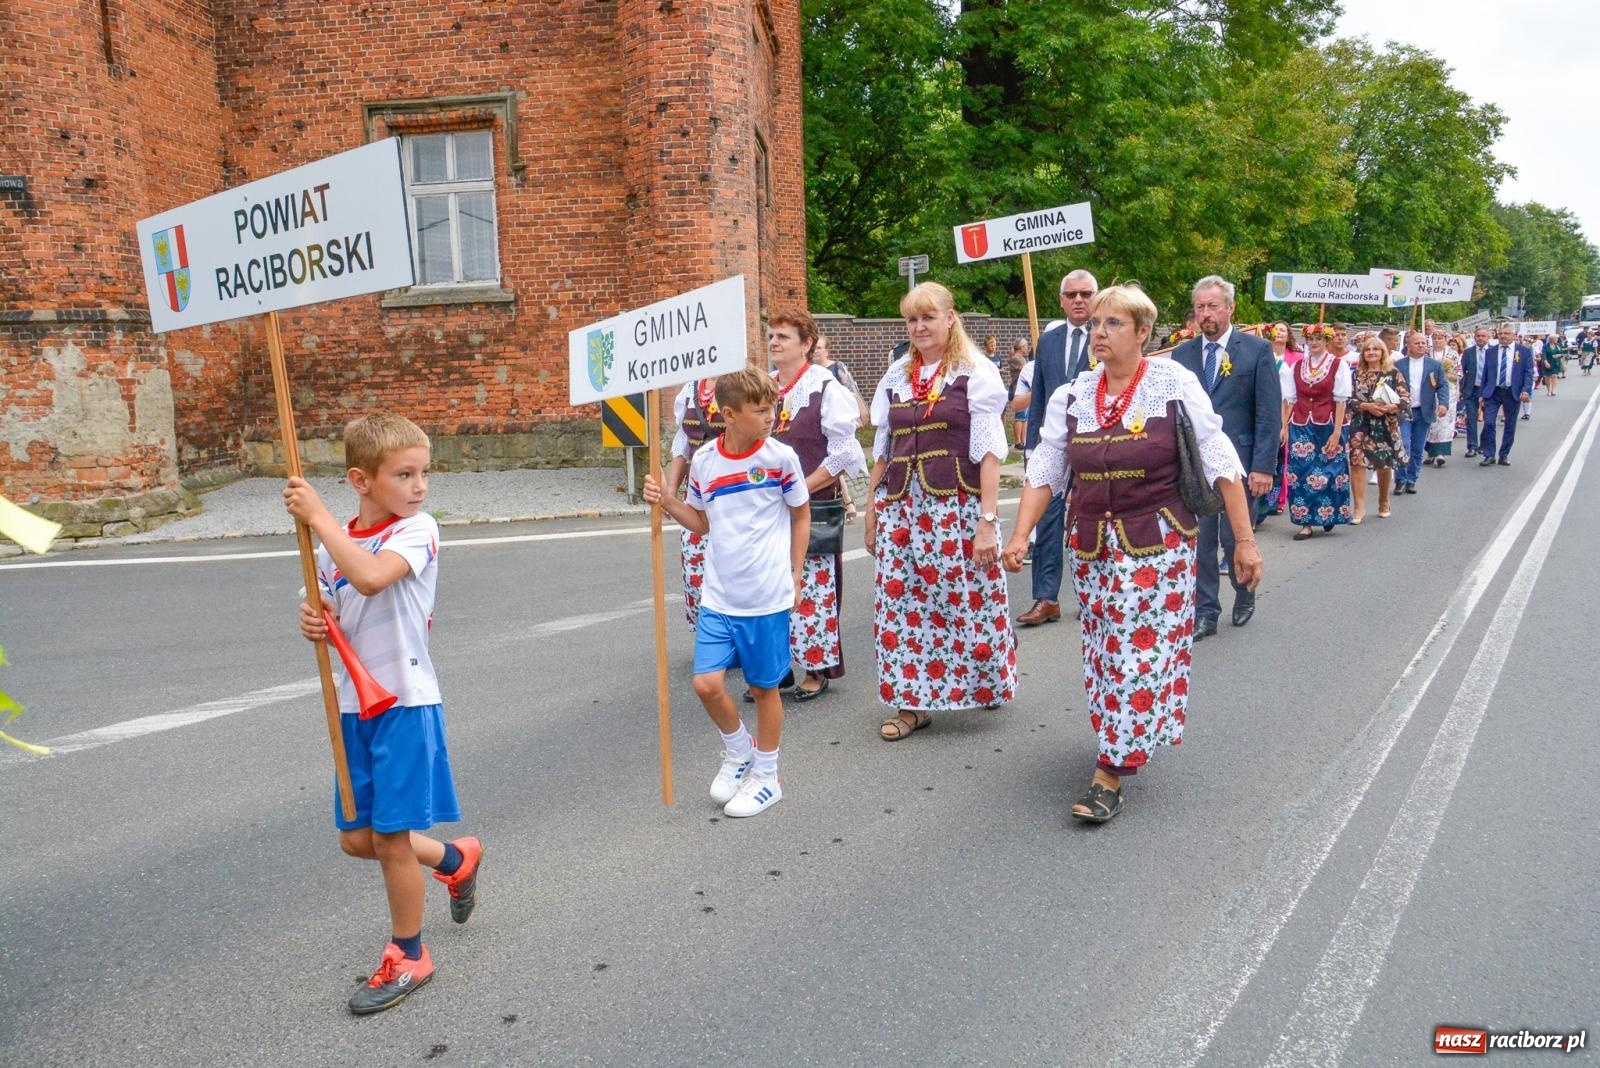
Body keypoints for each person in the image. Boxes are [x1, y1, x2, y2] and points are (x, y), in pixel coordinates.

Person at [1001, 284, 1261, 823]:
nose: (1099, 332)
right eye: (1095, 323)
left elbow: (1218, 456)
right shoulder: (1071, 395)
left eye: (1113, 323)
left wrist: (1246, 543)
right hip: (1093, 548)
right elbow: (1047, 467)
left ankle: (1110, 772)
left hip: (1158, 548)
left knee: (1135, 652)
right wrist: (1020, 534)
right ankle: (1123, 733)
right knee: (1103, 653)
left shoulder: (1172, 383)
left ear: (1143, 332)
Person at [282, 413, 482, 1016]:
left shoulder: (417, 530)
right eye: (404, 474)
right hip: (353, 705)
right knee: (356, 839)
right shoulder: (330, 546)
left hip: (404, 702)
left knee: (391, 839)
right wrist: (315, 622)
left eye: (424, 472)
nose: (420, 485)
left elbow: (368, 578)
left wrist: (317, 518)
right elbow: (331, 609)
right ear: (360, 480)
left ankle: (410, 954)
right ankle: (453, 859)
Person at [642, 366, 810, 818]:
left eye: (772, 406)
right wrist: (667, 500)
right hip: (719, 596)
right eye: (760, 410)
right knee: (706, 683)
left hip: (766, 596)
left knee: (762, 688)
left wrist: (795, 574)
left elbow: (800, 515)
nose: (771, 415)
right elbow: (702, 522)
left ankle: (768, 776)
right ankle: (740, 752)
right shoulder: (705, 463)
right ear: (729, 415)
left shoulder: (780, 459)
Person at [866, 281, 1016, 740]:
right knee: (900, 601)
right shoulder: (897, 375)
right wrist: (873, 511)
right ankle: (911, 702)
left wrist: (988, 524)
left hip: (956, 507)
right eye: (912, 319)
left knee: (965, 597)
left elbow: (990, 452)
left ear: (951, 318)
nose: (919, 327)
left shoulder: (976, 371)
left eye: (928, 317)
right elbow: (884, 448)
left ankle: (986, 676)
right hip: (901, 509)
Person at [1169, 275, 1280, 638]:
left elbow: (1267, 413)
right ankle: (1206, 611)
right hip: (1195, 464)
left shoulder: (1256, 351)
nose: (1206, 313)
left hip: (1240, 462)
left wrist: (1263, 466)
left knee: (1235, 536)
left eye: (1213, 306)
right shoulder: (1182, 355)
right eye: (1200, 307)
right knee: (1201, 540)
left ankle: (1244, 592)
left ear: (1230, 308)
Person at [767, 310, 867, 701]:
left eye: (783, 337)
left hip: (810, 504)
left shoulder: (825, 387)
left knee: (811, 589)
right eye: (771, 336)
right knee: (769, 587)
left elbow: (843, 452)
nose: (774, 342)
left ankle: (816, 667)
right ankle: (776, 666)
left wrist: (799, 489)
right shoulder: (766, 386)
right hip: (767, 506)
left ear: (806, 344)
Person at [1018, 269, 1098, 627]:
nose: (1078, 300)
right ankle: (1046, 598)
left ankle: (1094, 595)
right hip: (1052, 445)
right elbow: (1039, 396)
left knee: (1091, 520)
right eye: (1071, 294)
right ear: (1061, 300)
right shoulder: (1048, 341)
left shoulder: (1107, 334)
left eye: (1085, 293)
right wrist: (1032, 446)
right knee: (1048, 521)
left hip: (1095, 445)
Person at [1280, 323, 1352, 537]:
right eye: (1311, 339)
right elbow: (1290, 399)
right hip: (1301, 423)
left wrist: (1337, 432)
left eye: (1319, 339)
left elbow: (1341, 401)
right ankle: (1306, 523)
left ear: (1326, 341)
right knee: (1300, 471)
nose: (1314, 343)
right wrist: (1283, 426)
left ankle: (1328, 515)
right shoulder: (1297, 366)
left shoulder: (1339, 365)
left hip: (1328, 423)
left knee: (1330, 471)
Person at [667, 378, 727, 630]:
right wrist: (670, 492)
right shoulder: (691, 389)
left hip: (730, 495)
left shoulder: (737, 382)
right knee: (696, 572)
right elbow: (684, 444)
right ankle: (709, 634)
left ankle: (733, 636)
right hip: (695, 498)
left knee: (729, 573)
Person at [1346, 335, 1409, 521]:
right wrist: (1367, 406)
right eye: (1368, 350)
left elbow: (1405, 399)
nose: (1371, 353)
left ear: (1383, 352)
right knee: (1357, 463)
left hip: (1385, 424)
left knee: (1383, 464)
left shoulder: (1393, 373)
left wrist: (1390, 407)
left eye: (1375, 349)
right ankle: (1358, 508)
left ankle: (1383, 500)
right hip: (1361, 424)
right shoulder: (1355, 374)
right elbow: (1347, 399)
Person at [810, 332, 869, 521]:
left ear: (827, 350)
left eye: (819, 348)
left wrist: (862, 413)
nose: (816, 351)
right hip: (819, 422)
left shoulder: (836, 368)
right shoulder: (809, 372)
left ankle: (846, 499)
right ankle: (847, 499)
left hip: (839, 418)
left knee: (836, 456)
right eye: (814, 348)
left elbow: (852, 388)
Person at [1393, 330, 1448, 493]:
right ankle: (1400, 479)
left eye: (1424, 342)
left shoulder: (1434, 365)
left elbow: (1442, 385)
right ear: (1408, 345)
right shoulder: (1399, 365)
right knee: (1404, 445)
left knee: (1417, 449)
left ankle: (1412, 479)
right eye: (1417, 343)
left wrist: (1443, 404)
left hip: (1424, 412)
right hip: (1404, 412)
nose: (1421, 345)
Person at [1479, 323, 1534, 466]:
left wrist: (1526, 390)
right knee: (1489, 422)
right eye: (1501, 333)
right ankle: (1489, 454)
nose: (1502, 336)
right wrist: (1482, 393)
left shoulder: (1523, 351)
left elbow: (1528, 373)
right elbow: (1485, 373)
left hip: (1512, 392)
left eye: (1506, 333)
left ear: (1514, 335)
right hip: (1493, 392)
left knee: (1510, 424)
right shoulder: (1490, 351)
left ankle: (1504, 454)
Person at [1424, 331, 1462, 467]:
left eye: (1440, 338)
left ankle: (1441, 453)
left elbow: (1458, 373)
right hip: (1429, 390)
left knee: (1444, 422)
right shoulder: (1427, 353)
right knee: (1431, 422)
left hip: (1448, 391)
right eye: (1435, 338)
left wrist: (1445, 374)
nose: (1438, 341)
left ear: (1445, 339)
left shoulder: (1452, 354)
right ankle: (1430, 452)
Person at [1459, 325, 1490, 458]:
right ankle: (1472, 446)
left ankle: (1484, 445)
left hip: (1488, 390)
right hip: (1471, 389)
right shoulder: (1468, 352)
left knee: (1489, 420)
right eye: (1478, 336)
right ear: (1474, 337)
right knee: (1471, 419)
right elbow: (1463, 371)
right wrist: (1462, 389)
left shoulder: (1493, 352)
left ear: (1488, 337)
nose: (1480, 338)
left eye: (1483, 336)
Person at [1010, 346, 1035, 451]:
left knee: (1025, 418)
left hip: (1026, 391)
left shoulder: (1022, 359)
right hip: (1019, 390)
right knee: (1020, 416)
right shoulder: (1015, 359)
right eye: (1024, 346)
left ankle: (1023, 440)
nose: (1025, 348)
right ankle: (1018, 441)